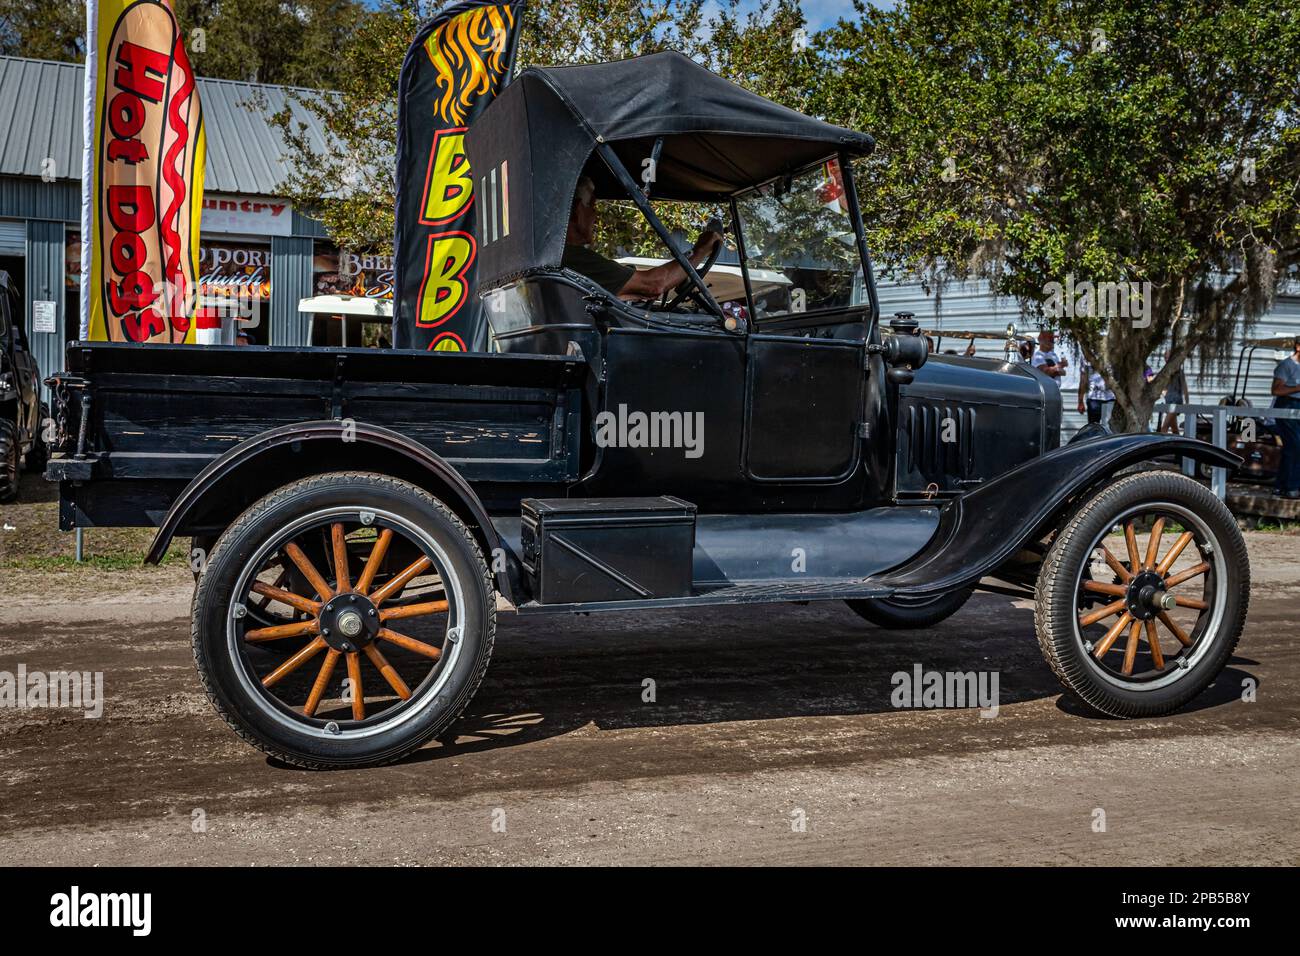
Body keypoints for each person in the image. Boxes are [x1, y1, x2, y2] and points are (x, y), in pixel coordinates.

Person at [562, 176, 722, 299]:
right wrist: (701, 250)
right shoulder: (574, 258)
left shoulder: (566, 256)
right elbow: (654, 284)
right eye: (592, 206)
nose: (595, 215)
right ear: (577, 210)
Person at [1270, 336, 1300, 499]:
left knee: (1291, 449)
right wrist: (1296, 388)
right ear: (1298, 347)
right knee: (1296, 446)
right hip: (1288, 405)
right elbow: (1276, 390)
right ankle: (1291, 486)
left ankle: (1281, 486)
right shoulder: (1287, 365)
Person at [1077, 360, 1114, 426]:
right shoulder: (1086, 354)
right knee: (1093, 428)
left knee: (1111, 428)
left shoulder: (1116, 351)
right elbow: (1083, 378)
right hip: (1094, 397)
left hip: (1112, 396)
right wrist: (1080, 401)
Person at [1159, 350, 1189, 434]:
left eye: (1168, 357)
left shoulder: (1179, 371)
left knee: (1164, 428)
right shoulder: (1165, 372)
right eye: (1165, 357)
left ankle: (1163, 446)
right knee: (1175, 430)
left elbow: (1185, 388)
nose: (1166, 359)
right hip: (1168, 402)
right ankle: (1180, 446)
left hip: (1175, 403)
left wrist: (1187, 404)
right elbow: (1163, 388)